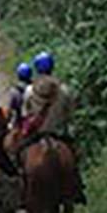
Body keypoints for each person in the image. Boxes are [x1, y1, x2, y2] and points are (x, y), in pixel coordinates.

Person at [19, 52, 86, 203]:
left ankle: (24, 189)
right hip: (59, 134)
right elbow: (70, 115)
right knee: (74, 157)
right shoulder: (64, 90)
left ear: (36, 69)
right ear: (52, 67)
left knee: (19, 156)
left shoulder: (30, 91)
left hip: (36, 136)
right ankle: (76, 188)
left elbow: (25, 114)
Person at [7, 62, 32, 128]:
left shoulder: (14, 91)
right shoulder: (34, 88)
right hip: (33, 121)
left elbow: (10, 109)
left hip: (20, 122)